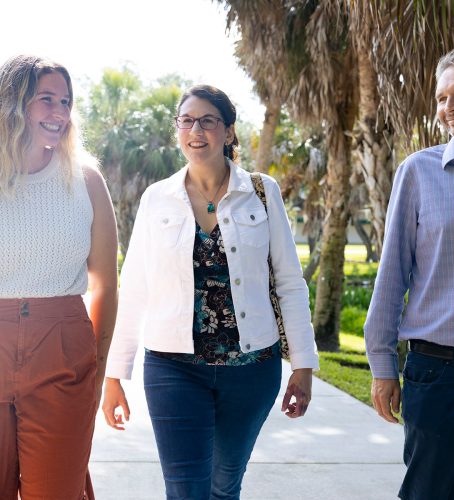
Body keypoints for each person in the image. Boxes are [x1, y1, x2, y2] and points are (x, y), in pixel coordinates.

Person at [102, 84, 319, 499]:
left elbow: (290, 283)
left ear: (229, 132)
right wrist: (115, 374)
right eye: (187, 120)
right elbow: (133, 289)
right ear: (178, 130)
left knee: (224, 485)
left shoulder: (261, 193)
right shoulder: (157, 199)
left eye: (208, 120)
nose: (195, 129)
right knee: (186, 490)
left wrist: (303, 366)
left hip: (252, 369)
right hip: (173, 367)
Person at [364, 47, 454, 500]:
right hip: (438, 374)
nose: (449, 107)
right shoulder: (417, 172)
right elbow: (392, 275)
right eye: (442, 97)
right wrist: (383, 367)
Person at [0, 55, 118, 500]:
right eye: (45, 99)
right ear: (13, 103)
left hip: (64, 352)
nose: (59, 112)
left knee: (56, 492)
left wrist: (98, 367)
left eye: (65, 101)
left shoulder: (86, 181)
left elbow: (106, 284)